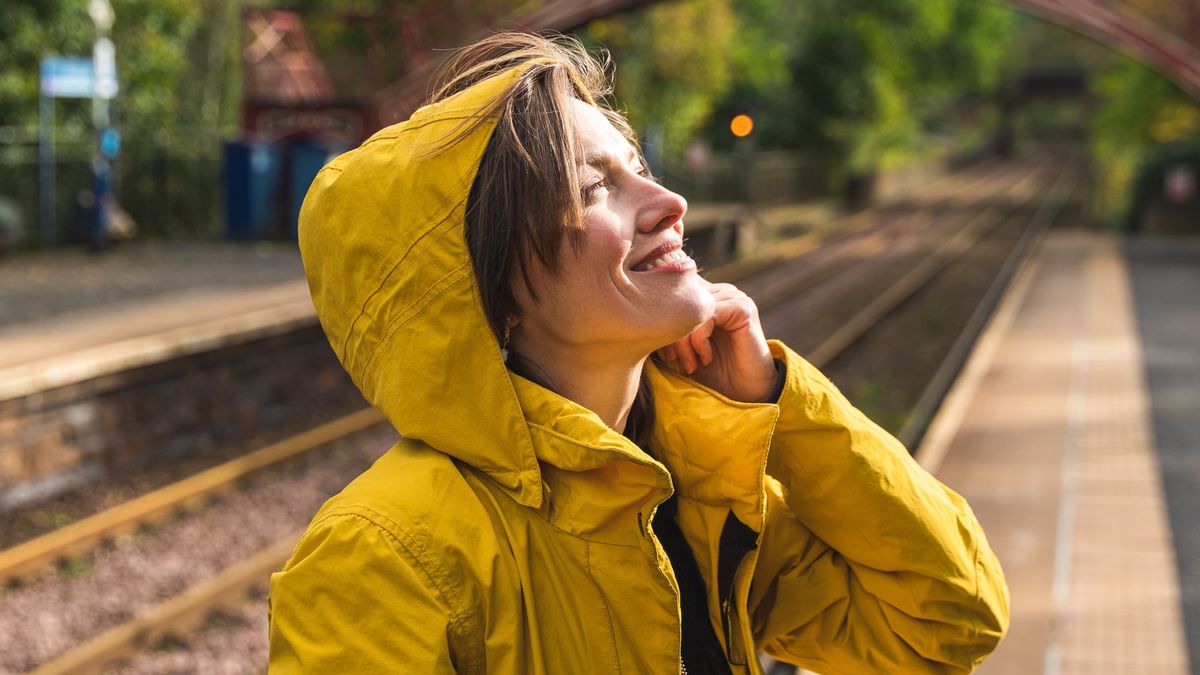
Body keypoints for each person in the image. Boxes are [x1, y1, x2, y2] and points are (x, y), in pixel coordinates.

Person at [267, 33, 1009, 674]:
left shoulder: (683, 490)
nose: (668, 202)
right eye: (597, 187)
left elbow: (948, 623)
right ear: (484, 288)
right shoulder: (383, 557)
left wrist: (782, 400)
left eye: (639, 169)